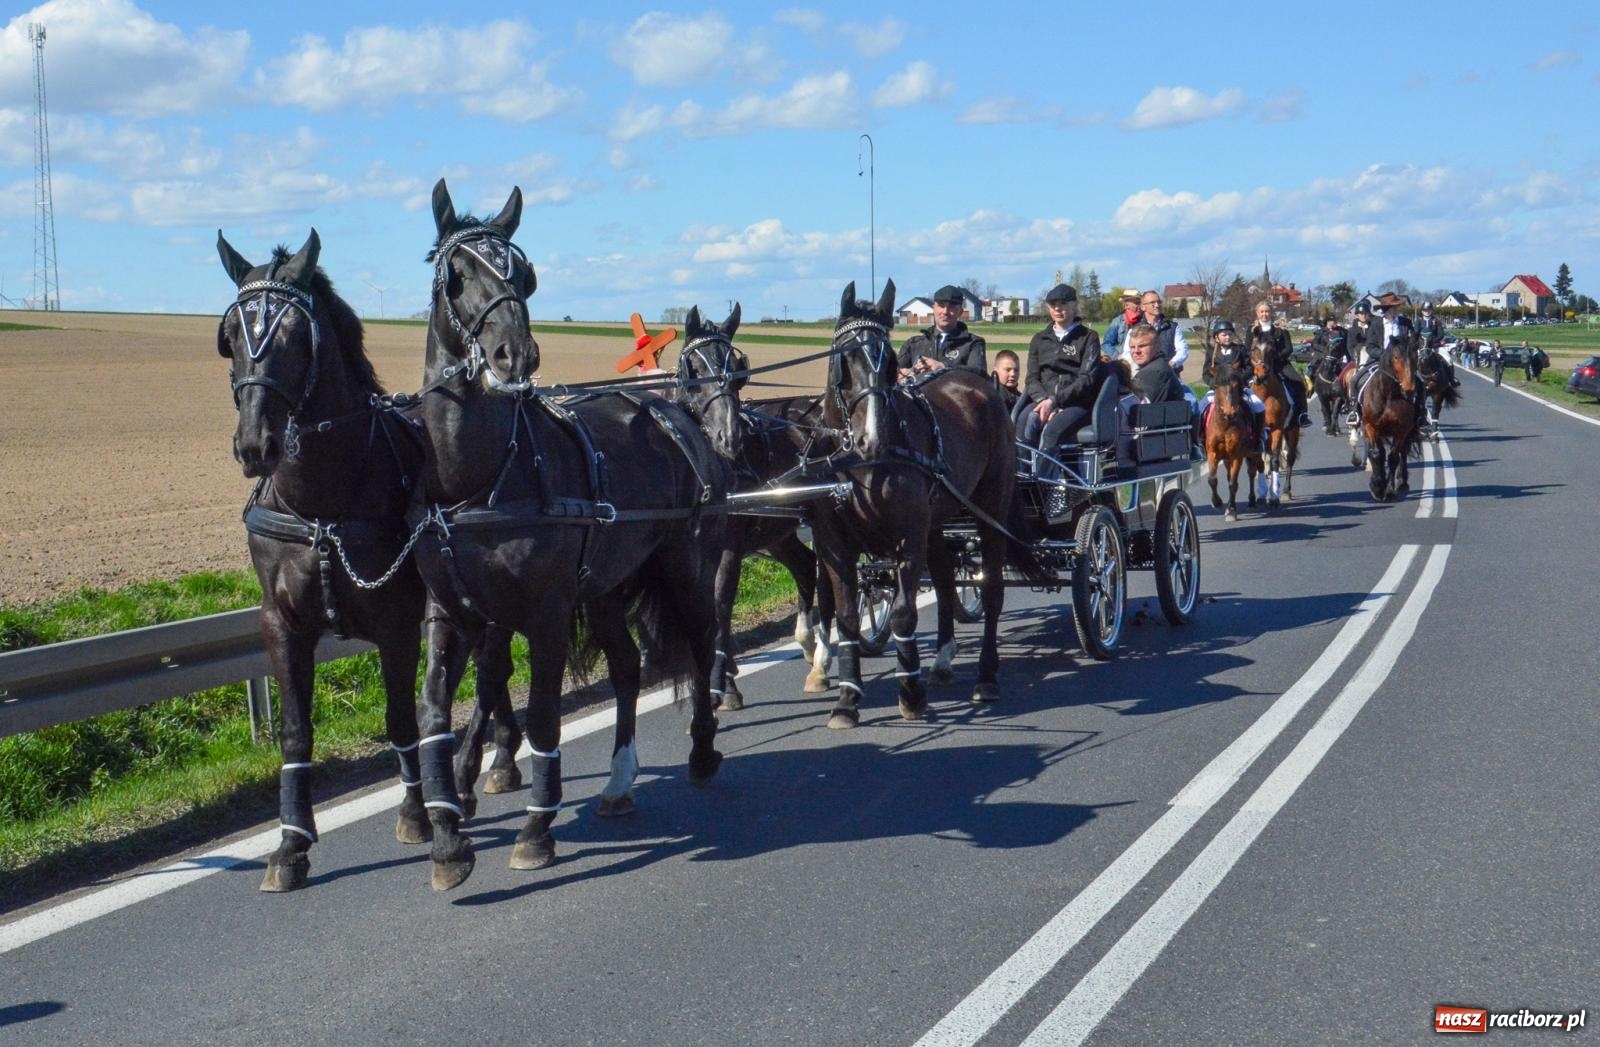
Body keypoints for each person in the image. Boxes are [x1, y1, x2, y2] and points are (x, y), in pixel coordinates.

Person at [1023, 283, 1108, 516]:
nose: (1058, 309)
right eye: (1053, 305)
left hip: (1078, 404)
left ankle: (1042, 492)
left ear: (1073, 305)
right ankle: (1020, 488)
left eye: (1063, 304)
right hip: (1043, 400)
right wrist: (1043, 400)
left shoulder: (1087, 337)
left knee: (1051, 432)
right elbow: (1031, 378)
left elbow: (1087, 379)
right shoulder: (1040, 339)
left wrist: (1056, 401)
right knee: (1023, 425)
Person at [1198, 319, 1265, 444]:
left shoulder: (1239, 349)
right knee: (1199, 408)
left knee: (1259, 405)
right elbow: (1206, 373)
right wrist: (1214, 384)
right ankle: (1200, 438)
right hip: (1217, 390)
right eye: (1224, 335)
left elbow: (1249, 368)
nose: (1227, 337)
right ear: (1217, 337)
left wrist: (1239, 381)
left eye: (1229, 334)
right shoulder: (1211, 352)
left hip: (1238, 389)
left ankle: (1258, 437)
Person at [897, 284, 986, 378]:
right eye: (941, 305)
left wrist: (943, 367)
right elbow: (893, 373)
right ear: (934, 309)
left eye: (951, 307)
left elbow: (979, 373)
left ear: (960, 312)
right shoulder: (913, 344)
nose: (945, 311)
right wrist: (906, 373)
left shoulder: (972, 343)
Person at [1248, 299, 1311, 428]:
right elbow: (1246, 348)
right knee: (1240, 384)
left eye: (1267, 311)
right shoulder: (1252, 330)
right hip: (1258, 365)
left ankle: (1302, 414)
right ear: (1257, 313)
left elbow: (1289, 348)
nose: (1264, 314)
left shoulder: (1280, 330)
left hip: (1279, 364)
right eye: (1262, 312)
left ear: (1271, 313)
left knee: (1298, 382)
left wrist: (1275, 357)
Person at [1126, 323, 1187, 403]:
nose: (1136, 351)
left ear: (1158, 347)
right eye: (1132, 347)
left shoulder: (1154, 372)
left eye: (1142, 346)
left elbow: (1131, 405)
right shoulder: (1159, 365)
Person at [1417, 302, 1459, 388]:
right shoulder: (1418, 321)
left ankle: (1452, 379)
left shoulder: (1436, 321)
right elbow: (1415, 333)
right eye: (1425, 310)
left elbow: (1441, 334)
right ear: (1422, 311)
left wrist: (1433, 342)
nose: (1427, 312)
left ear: (1431, 310)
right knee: (1410, 360)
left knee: (1448, 359)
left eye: (1429, 310)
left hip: (1434, 346)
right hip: (1421, 346)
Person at [1101, 288, 1142, 360]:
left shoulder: (1144, 321)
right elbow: (1106, 344)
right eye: (1137, 303)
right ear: (1126, 305)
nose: (1140, 306)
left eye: (1140, 302)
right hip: (1121, 362)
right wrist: (1118, 356)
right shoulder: (1117, 321)